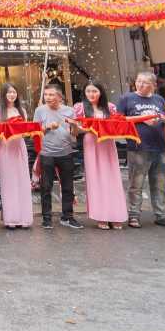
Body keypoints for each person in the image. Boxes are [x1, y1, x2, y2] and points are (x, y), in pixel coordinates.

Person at [117, 72, 165, 229]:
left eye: (145, 82)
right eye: (138, 81)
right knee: (136, 183)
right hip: (138, 147)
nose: (140, 84)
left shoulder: (159, 99)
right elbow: (118, 120)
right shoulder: (126, 98)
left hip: (160, 146)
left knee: (159, 184)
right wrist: (141, 119)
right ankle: (134, 215)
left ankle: (161, 215)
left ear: (153, 85)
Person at [72, 82, 128, 230]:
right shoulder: (80, 108)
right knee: (95, 178)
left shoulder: (109, 107)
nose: (91, 94)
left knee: (112, 178)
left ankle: (116, 215)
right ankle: (101, 216)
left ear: (101, 92)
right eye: (88, 91)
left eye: (94, 91)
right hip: (91, 143)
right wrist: (77, 128)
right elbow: (75, 133)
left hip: (107, 143)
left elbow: (117, 126)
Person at [34, 86, 82, 230]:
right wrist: (47, 127)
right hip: (46, 153)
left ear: (60, 97)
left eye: (51, 95)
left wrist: (74, 125)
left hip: (66, 153)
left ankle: (67, 216)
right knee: (46, 187)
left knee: (68, 186)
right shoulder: (40, 110)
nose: (48, 97)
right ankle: (46, 218)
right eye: (46, 95)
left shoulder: (69, 111)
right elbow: (34, 132)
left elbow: (75, 133)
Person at [0, 83, 33, 229]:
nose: (11, 95)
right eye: (9, 92)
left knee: (22, 181)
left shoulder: (21, 110)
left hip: (19, 147)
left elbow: (26, 131)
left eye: (14, 92)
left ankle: (24, 218)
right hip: (5, 148)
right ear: (4, 94)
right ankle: (11, 218)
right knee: (8, 182)